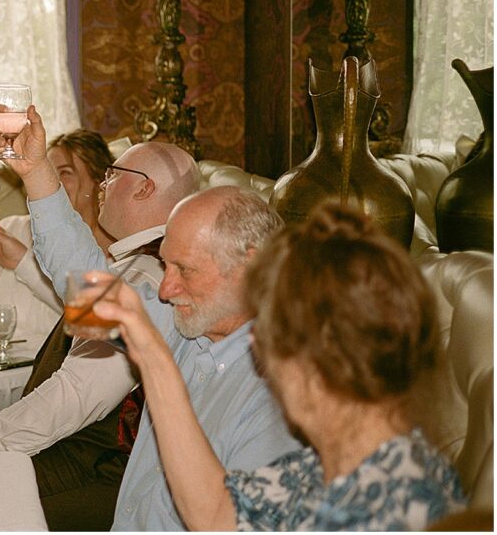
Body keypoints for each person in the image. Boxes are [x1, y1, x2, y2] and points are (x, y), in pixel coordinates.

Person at [0, 104, 301, 530]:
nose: (166, 289)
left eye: (184, 271)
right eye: (166, 265)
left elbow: (225, 521)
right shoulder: (180, 325)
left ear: (247, 268)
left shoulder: (276, 395)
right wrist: (35, 170)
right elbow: (78, 271)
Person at [94, 201, 467, 530]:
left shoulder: (392, 504)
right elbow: (218, 516)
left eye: (275, 330)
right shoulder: (333, 463)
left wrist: (156, 364)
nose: (256, 341)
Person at [0, 129, 114, 343]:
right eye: (47, 171)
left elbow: (90, 315)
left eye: (65, 172)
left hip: (38, 362)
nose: (51, 180)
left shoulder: (112, 249)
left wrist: (22, 262)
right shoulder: (15, 228)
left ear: (98, 180)